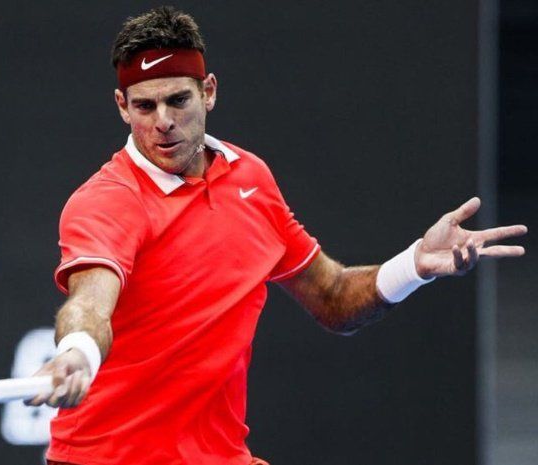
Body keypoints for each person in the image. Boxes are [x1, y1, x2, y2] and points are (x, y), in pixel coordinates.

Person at [26, 6, 527, 465]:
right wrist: (78, 352)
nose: (163, 123)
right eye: (144, 106)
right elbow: (90, 304)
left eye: (178, 100)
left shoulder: (251, 178)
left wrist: (414, 264)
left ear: (209, 92)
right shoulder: (106, 201)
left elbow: (333, 297)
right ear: (121, 106)